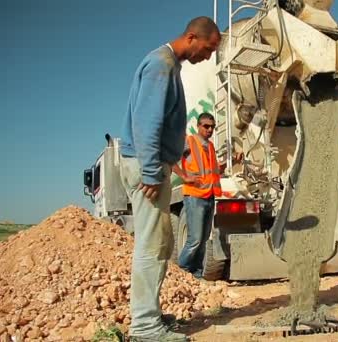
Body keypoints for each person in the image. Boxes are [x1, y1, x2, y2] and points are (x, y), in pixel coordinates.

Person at [118, 17, 220, 341]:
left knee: (160, 245)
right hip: (147, 168)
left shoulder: (169, 67)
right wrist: (150, 171)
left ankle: (151, 318)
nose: (207, 57)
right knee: (150, 247)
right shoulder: (160, 65)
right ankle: (145, 328)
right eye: (208, 49)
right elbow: (147, 124)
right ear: (192, 37)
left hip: (156, 166)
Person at [172, 113, 222, 279]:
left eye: (212, 127)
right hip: (194, 196)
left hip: (209, 196)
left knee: (203, 241)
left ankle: (197, 275)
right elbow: (171, 159)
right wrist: (184, 176)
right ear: (199, 126)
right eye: (206, 126)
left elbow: (212, 171)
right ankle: (182, 273)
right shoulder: (190, 141)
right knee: (194, 239)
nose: (209, 130)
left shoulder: (211, 147)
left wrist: (233, 162)